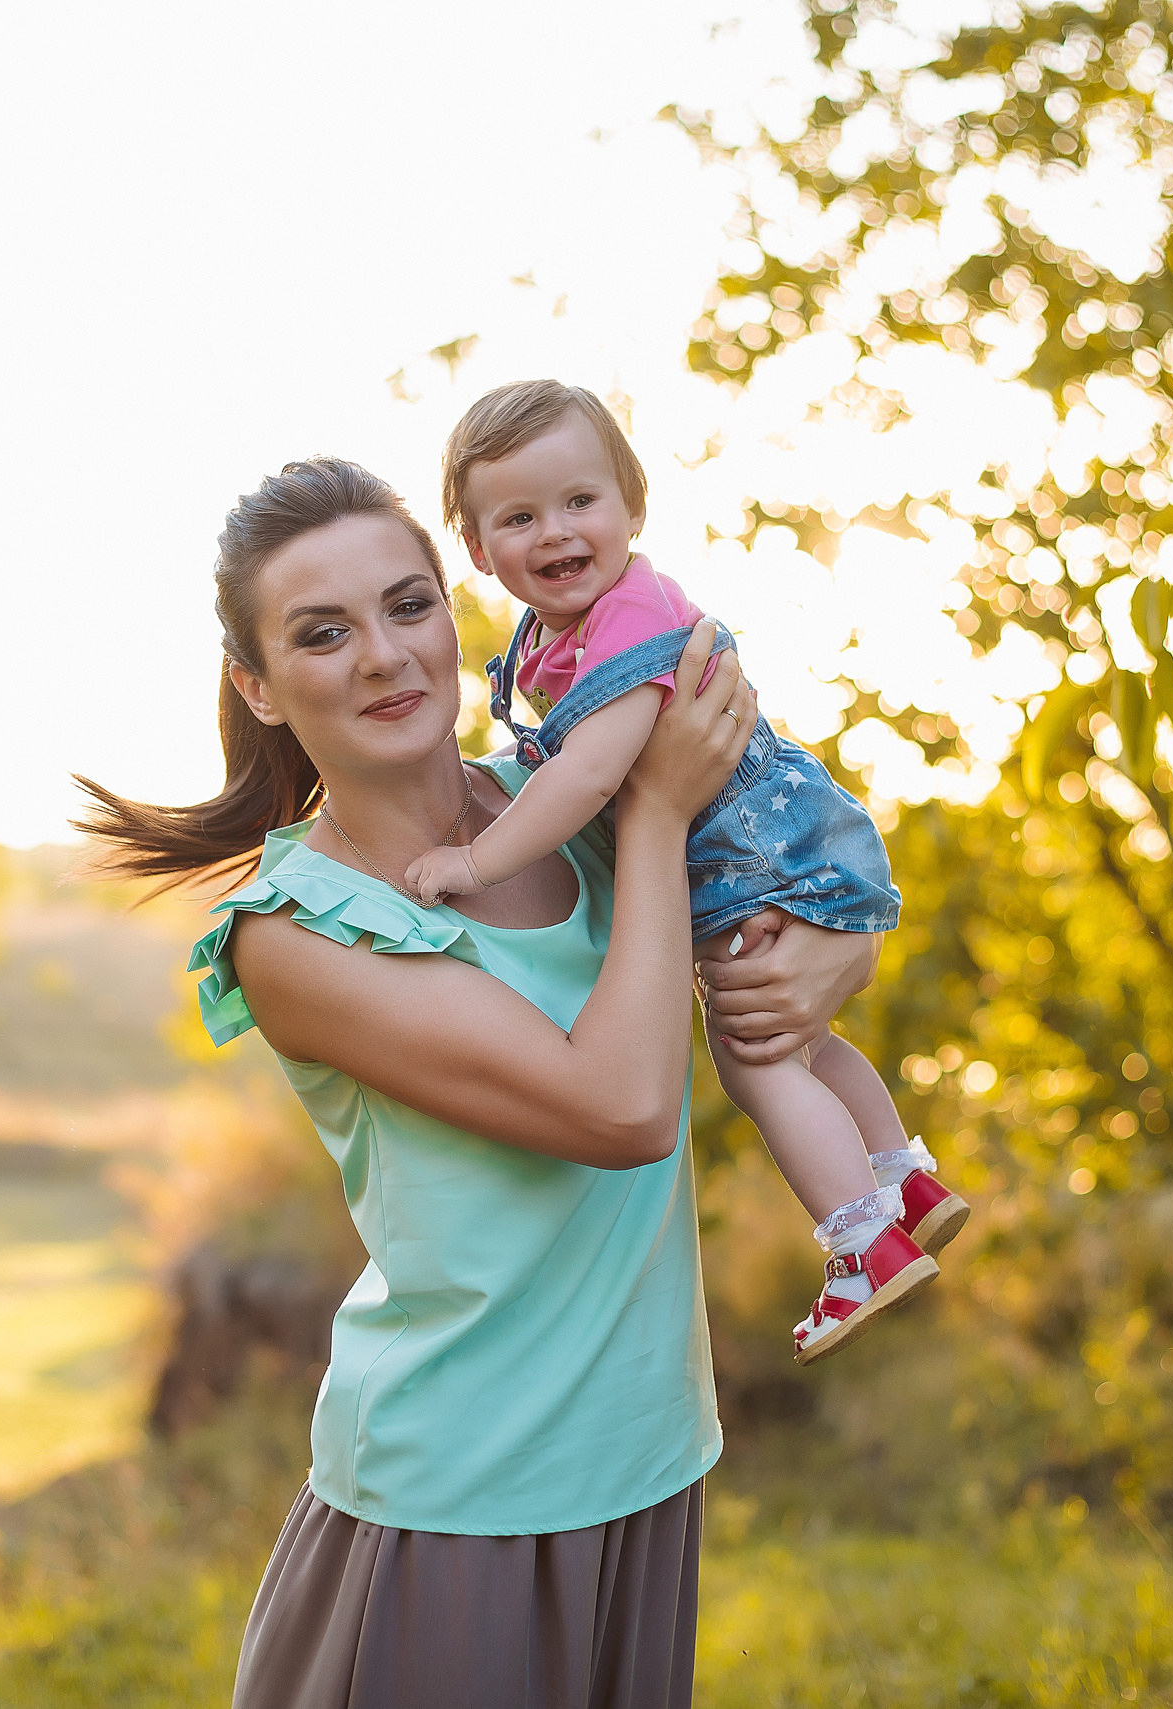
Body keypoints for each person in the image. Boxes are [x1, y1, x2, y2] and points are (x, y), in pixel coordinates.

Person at [74, 456, 878, 1709]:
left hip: (647, 1458)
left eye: (409, 605)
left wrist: (837, 953)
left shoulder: (565, 799)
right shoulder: (298, 930)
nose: (385, 655)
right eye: (322, 633)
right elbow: (622, 1107)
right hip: (461, 1494)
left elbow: (784, 901)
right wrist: (656, 814)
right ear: (258, 684)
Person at [410, 380, 968, 1365]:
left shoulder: (632, 616)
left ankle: (862, 1245)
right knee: (795, 1037)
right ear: (478, 548)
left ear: (632, 506)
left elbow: (591, 775)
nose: (555, 530)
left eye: (580, 500)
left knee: (755, 1058)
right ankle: (902, 1181)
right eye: (519, 516)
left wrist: (474, 857)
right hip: (773, 850)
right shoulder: (554, 635)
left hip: (757, 852)